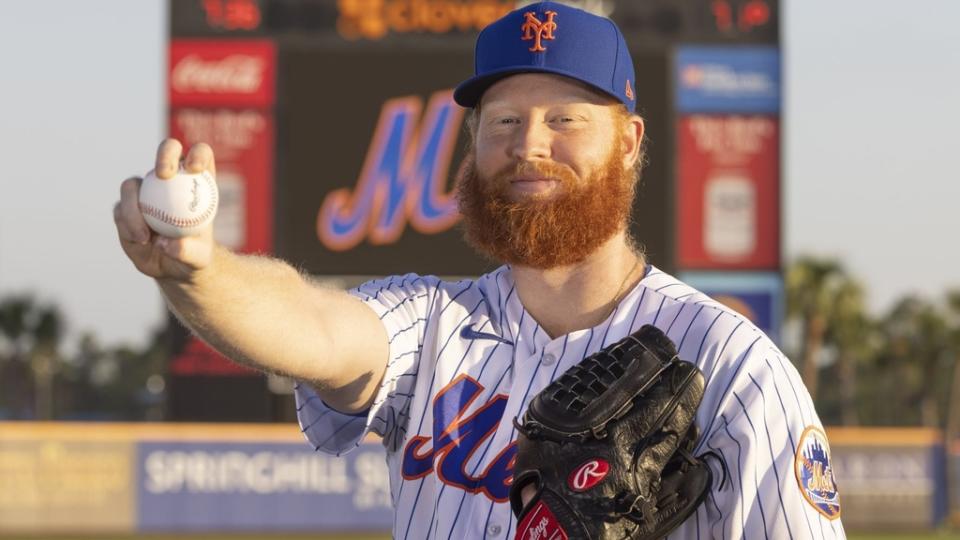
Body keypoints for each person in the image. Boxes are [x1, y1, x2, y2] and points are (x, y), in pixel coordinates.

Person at [115, 2, 844, 538]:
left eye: (565, 119)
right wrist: (199, 274)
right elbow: (311, 322)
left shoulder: (732, 366)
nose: (529, 144)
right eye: (503, 121)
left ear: (629, 142)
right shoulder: (433, 322)